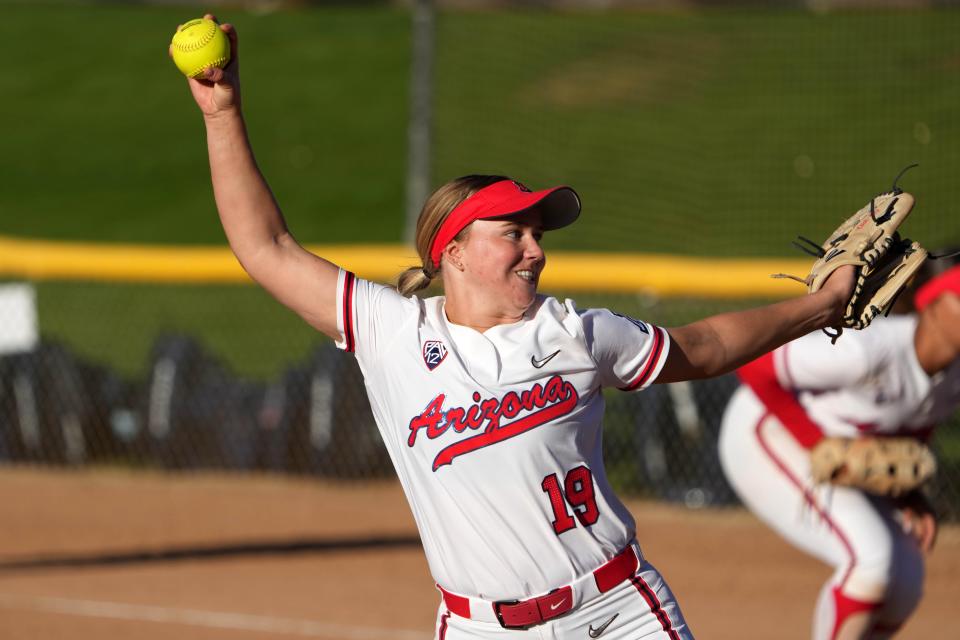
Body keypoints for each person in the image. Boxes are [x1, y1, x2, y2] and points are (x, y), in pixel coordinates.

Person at [176, 17, 856, 639]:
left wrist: (821, 306)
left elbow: (703, 349)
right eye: (514, 233)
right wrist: (223, 114)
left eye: (537, 233)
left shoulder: (577, 334)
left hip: (618, 613)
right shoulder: (392, 333)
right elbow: (265, 248)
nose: (536, 248)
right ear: (454, 252)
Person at [718, 264, 960, 640]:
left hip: (837, 455)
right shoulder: (868, 350)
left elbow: (916, 420)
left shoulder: (955, 377)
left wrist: (908, 495)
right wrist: (822, 445)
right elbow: (755, 365)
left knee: (907, 578)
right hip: (767, 431)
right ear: (935, 303)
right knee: (871, 560)